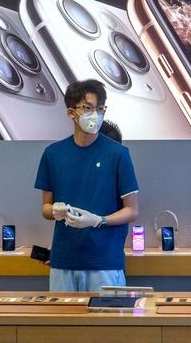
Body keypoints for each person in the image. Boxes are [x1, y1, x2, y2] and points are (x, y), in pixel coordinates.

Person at [34, 79, 139, 292]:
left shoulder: (118, 154)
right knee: (62, 324)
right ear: (71, 113)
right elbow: (45, 208)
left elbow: (132, 210)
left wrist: (98, 220)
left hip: (104, 262)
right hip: (64, 261)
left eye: (100, 109)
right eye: (88, 108)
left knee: (108, 324)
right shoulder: (53, 154)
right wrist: (56, 211)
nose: (95, 115)